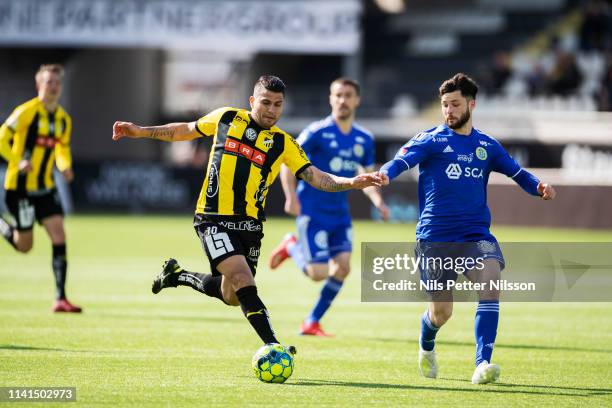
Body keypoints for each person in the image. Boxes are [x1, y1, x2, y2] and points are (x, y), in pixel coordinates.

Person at [111, 75, 382, 352]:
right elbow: (185, 130)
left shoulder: (283, 143)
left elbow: (315, 176)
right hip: (212, 218)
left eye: (278, 105)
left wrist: (351, 182)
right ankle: (273, 345)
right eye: (266, 102)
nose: (271, 110)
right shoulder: (227, 118)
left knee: (232, 295)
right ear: (252, 101)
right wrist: (141, 131)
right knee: (243, 278)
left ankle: (177, 275)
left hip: (250, 226)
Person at [376, 73, 556, 384]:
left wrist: (538, 186)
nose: (448, 111)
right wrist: (385, 174)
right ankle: (427, 344)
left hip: (476, 235)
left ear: (471, 104)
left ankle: (482, 363)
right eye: (444, 105)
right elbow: (401, 160)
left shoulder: (487, 145)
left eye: (455, 104)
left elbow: (518, 173)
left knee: (490, 282)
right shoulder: (431, 139)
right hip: (435, 238)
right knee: (441, 313)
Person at [268, 77, 389, 337]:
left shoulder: (364, 138)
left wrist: (378, 202)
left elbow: (365, 177)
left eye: (347, 95)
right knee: (318, 273)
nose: (342, 100)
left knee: (343, 268)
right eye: (337, 95)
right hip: (312, 210)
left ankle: (311, 322)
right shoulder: (317, 132)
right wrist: (291, 197)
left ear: (357, 100)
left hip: (339, 214)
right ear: (330, 99)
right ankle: (291, 245)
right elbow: (289, 162)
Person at [0, 64, 82, 313]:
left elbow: (61, 149)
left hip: (45, 187)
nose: (54, 87)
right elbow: (2, 138)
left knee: (59, 236)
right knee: (25, 247)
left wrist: (65, 166)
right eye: (49, 82)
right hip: (21, 189)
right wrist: (18, 161)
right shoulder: (26, 112)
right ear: (39, 86)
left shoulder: (63, 120)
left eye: (57, 82)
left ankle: (60, 298)